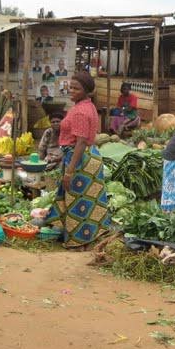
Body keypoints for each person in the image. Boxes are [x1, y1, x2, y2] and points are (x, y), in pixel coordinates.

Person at [45, 73, 109, 248]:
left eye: (76, 88)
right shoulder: (87, 106)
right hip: (86, 156)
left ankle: (79, 241)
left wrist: (70, 171)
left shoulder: (81, 111)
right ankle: (89, 238)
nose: (71, 91)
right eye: (70, 87)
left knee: (79, 202)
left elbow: (80, 142)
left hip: (81, 160)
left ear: (86, 91)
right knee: (87, 201)